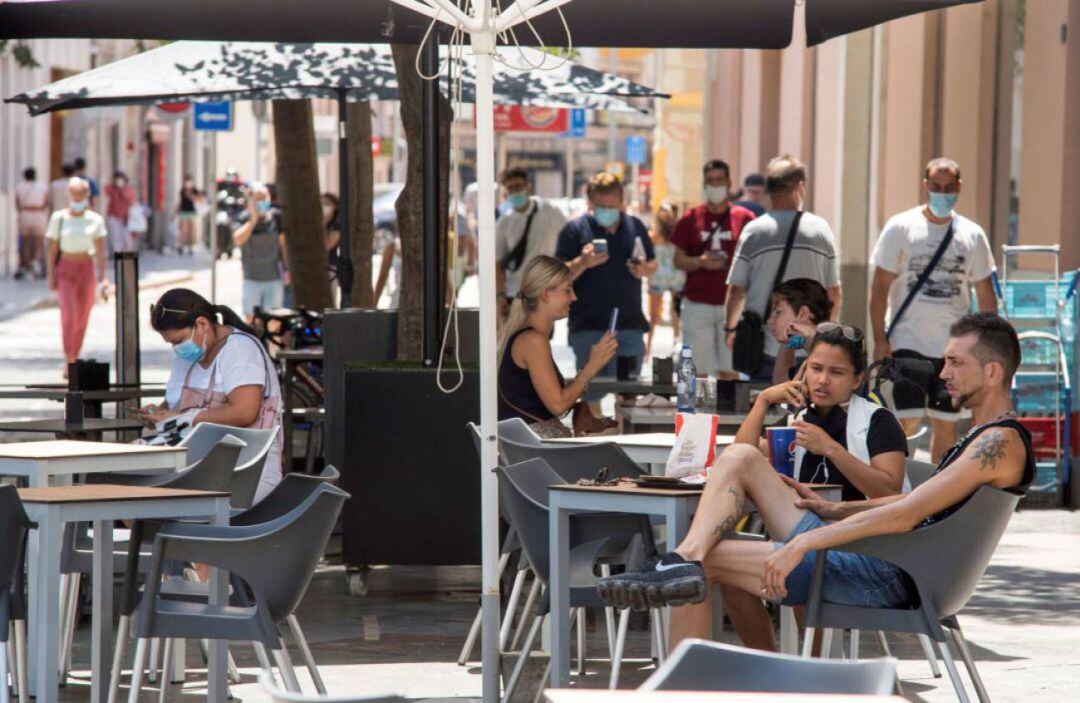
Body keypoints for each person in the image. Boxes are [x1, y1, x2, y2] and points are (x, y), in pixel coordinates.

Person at [598, 314, 1034, 657]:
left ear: (992, 373)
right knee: (740, 458)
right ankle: (682, 560)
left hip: (889, 574)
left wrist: (804, 543)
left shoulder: (999, 442)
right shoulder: (988, 437)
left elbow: (905, 513)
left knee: (707, 561)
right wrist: (834, 509)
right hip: (885, 560)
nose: (944, 372)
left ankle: (687, 681)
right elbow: (912, 503)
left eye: (956, 362)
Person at [715, 323, 907, 650]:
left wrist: (831, 448)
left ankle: (813, 665)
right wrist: (763, 401)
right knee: (727, 574)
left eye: (836, 372)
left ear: (857, 380)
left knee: (798, 557)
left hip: (861, 544)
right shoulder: (799, 419)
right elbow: (741, 457)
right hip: (803, 533)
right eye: (816, 369)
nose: (823, 380)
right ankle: (769, 664)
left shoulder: (877, 420)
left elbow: (890, 493)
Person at [870, 157, 998, 463]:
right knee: (908, 421)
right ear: (925, 186)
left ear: (959, 187)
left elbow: (985, 294)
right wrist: (879, 340)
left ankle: (937, 486)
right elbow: (880, 287)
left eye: (949, 187)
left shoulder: (972, 235)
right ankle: (900, 483)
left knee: (946, 424)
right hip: (907, 342)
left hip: (954, 349)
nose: (942, 193)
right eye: (936, 187)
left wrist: (989, 347)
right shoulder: (901, 227)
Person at [141, 288, 284, 502]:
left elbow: (245, 411)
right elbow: (174, 407)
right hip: (194, 462)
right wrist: (160, 415)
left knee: (148, 496)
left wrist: (189, 418)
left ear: (202, 324)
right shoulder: (187, 357)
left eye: (178, 341)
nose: (176, 348)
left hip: (244, 469)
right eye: (171, 343)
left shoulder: (240, 350)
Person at [725, 155, 842, 381]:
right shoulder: (820, 230)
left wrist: (730, 329)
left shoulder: (754, 231)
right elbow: (834, 293)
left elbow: (736, 291)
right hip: (809, 351)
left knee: (764, 401)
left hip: (763, 348)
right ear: (799, 186)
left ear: (769, 189)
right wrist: (822, 336)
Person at [555, 171, 657, 425]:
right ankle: (596, 439)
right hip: (588, 326)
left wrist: (643, 269)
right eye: (602, 207)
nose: (608, 212)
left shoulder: (635, 226)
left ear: (622, 202)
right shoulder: (574, 230)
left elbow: (652, 263)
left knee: (628, 396)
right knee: (591, 396)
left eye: (613, 206)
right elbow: (557, 275)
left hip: (629, 325)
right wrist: (583, 261)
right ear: (590, 202)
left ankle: (624, 439)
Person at [497, 256, 618, 438]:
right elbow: (558, 405)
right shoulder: (532, 341)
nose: (573, 297)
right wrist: (593, 366)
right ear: (546, 294)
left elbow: (546, 395)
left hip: (535, 445)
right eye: (567, 290)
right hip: (537, 448)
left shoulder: (530, 338)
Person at [671, 159, 757, 376]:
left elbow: (754, 261)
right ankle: (698, 401)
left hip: (733, 305)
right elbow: (678, 259)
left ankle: (725, 401)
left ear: (729, 183)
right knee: (696, 371)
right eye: (710, 181)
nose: (715, 185)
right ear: (704, 184)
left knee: (730, 370)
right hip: (697, 304)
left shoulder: (745, 218)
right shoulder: (690, 218)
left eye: (719, 180)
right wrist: (699, 262)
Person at [45, 178, 109, 370]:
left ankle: (75, 354)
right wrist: (51, 275)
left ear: (87, 195)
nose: (78, 197)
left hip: (86, 268)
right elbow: (53, 249)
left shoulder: (95, 220)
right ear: (69, 194)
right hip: (65, 268)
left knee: (82, 314)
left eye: (81, 193)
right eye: (74, 193)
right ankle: (69, 358)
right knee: (69, 314)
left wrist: (103, 277)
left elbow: (100, 252)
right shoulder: (59, 218)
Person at [496, 167, 568, 318]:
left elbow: (567, 240)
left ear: (528, 187)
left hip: (545, 292)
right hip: (515, 293)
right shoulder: (504, 222)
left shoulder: (550, 211)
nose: (515, 192)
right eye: (510, 188)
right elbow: (498, 262)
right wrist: (500, 295)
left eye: (518, 186)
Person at [233, 183, 288, 319]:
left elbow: (283, 246)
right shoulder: (243, 218)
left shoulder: (276, 217)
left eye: (264, 198)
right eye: (257, 198)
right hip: (251, 278)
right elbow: (238, 239)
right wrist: (253, 220)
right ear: (250, 201)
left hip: (273, 278)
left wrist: (287, 270)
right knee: (251, 319)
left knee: (274, 320)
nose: (261, 201)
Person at [766, 278, 833, 384]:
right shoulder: (802, 341)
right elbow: (781, 383)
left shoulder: (833, 350)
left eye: (778, 312)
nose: (769, 321)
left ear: (803, 314)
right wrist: (788, 341)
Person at [645, 201, 685, 359]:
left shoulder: (674, 234)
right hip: (663, 278)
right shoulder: (654, 235)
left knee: (673, 313)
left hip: (670, 277)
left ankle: (675, 344)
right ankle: (649, 348)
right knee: (656, 315)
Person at [14, 167, 49, 279]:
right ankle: (36, 264)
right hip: (38, 214)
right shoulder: (42, 186)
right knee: (39, 242)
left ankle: (27, 267)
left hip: (25, 213)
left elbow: (17, 203)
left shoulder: (20, 187)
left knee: (26, 243)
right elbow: (46, 202)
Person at [104, 170, 138, 254]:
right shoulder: (111, 189)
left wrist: (122, 189)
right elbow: (106, 191)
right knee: (117, 240)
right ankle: (119, 260)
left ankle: (128, 260)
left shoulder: (128, 189)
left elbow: (130, 200)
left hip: (127, 219)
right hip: (114, 217)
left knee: (127, 241)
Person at [176, 175, 202, 255]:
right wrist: (176, 212)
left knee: (191, 230)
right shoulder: (183, 190)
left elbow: (199, 199)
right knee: (183, 230)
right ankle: (181, 246)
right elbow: (180, 202)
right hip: (184, 212)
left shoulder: (194, 190)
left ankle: (191, 247)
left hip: (192, 212)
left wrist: (191, 196)